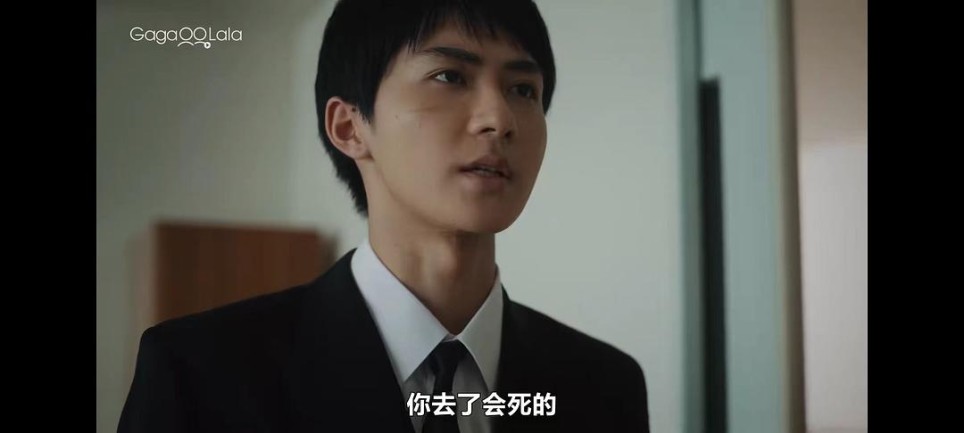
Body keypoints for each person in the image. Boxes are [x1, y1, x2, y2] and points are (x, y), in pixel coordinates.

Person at [118, 1, 649, 432]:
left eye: (522, 90)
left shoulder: (603, 386)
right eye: (450, 76)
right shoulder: (201, 373)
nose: (499, 119)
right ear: (350, 127)